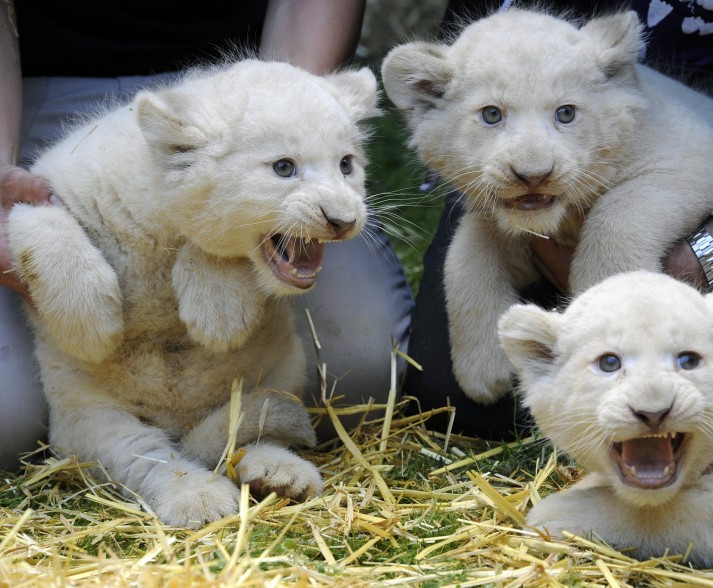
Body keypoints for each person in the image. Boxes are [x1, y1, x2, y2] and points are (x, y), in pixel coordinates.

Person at [402, 0, 713, 559]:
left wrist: (690, 267)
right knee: (458, 401)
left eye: (563, 114)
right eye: (490, 116)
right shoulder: (513, 64)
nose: (530, 160)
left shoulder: (632, 111)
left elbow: (695, 162)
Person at [0, 0, 414, 470]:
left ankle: (224, 441)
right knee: (7, 424)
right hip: (37, 86)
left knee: (357, 380)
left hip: (253, 89)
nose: (343, 213)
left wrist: (298, 118)